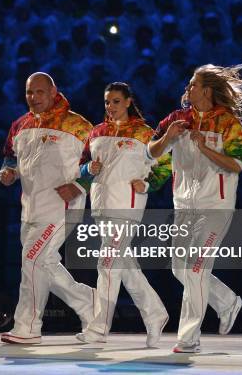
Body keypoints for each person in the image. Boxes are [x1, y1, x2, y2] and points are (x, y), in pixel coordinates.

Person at [148, 63, 242, 353]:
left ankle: (188, 338)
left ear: (206, 90)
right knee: (179, 268)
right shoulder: (177, 119)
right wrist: (168, 138)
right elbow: (150, 152)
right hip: (183, 206)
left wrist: (205, 148)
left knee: (195, 269)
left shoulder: (228, 123)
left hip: (215, 207)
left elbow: (237, 165)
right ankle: (227, 301)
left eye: (193, 84)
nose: (188, 88)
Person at [0, 72, 95, 344]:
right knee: (44, 264)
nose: (34, 97)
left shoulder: (77, 125)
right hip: (30, 207)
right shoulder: (20, 125)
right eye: (30, 92)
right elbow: (11, 158)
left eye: (40, 92)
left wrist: (79, 186)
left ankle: (28, 327)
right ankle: (92, 305)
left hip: (62, 206)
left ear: (54, 92)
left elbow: (99, 161)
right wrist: (8, 172)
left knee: (32, 261)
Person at [76, 82, 169, 346]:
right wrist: (87, 169)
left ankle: (98, 328)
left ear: (128, 102)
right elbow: (81, 165)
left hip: (127, 206)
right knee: (124, 266)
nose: (110, 106)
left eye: (116, 101)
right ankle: (155, 313)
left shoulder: (144, 133)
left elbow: (165, 163)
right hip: (101, 206)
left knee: (106, 265)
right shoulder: (96, 132)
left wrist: (149, 183)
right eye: (107, 102)